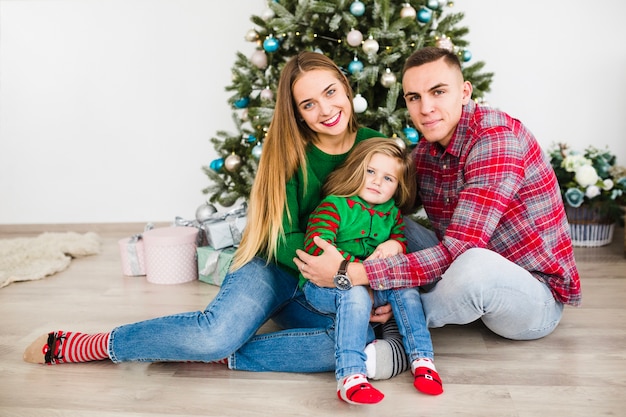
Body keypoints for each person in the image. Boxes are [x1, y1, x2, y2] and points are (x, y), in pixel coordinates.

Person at [24, 52, 437, 379]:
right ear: (296, 112)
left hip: (332, 278)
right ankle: (94, 344)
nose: (325, 109)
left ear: (346, 88)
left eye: (331, 92)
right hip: (274, 264)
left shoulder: (375, 147)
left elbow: (387, 221)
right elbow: (278, 235)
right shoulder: (289, 152)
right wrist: (341, 271)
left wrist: (368, 286)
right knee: (213, 335)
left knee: (354, 335)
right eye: (308, 104)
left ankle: (226, 359)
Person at [295, 46, 581, 347]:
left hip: (533, 296)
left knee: (474, 266)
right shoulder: (429, 150)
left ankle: (397, 325)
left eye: (438, 92)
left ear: (465, 92)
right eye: (414, 97)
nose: (426, 108)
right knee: (390, 218)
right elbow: (385, 207)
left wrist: (352, 272)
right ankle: (375, 306)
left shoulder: (495, 140)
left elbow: (459, 251)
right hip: (462, 268)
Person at [300, 137, 443, 404]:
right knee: (355, 294)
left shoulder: (393, 215)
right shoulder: (335, 205)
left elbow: (400, 243)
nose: (378, 182)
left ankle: (422, 359)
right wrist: (360, 270)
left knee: (407, 288)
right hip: (326, 285)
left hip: (374, 285)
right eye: (371, 172)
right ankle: (351, 377)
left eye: (389, 178)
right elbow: (318, 247)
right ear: (357, 170)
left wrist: (394, 243)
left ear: (398, 187)